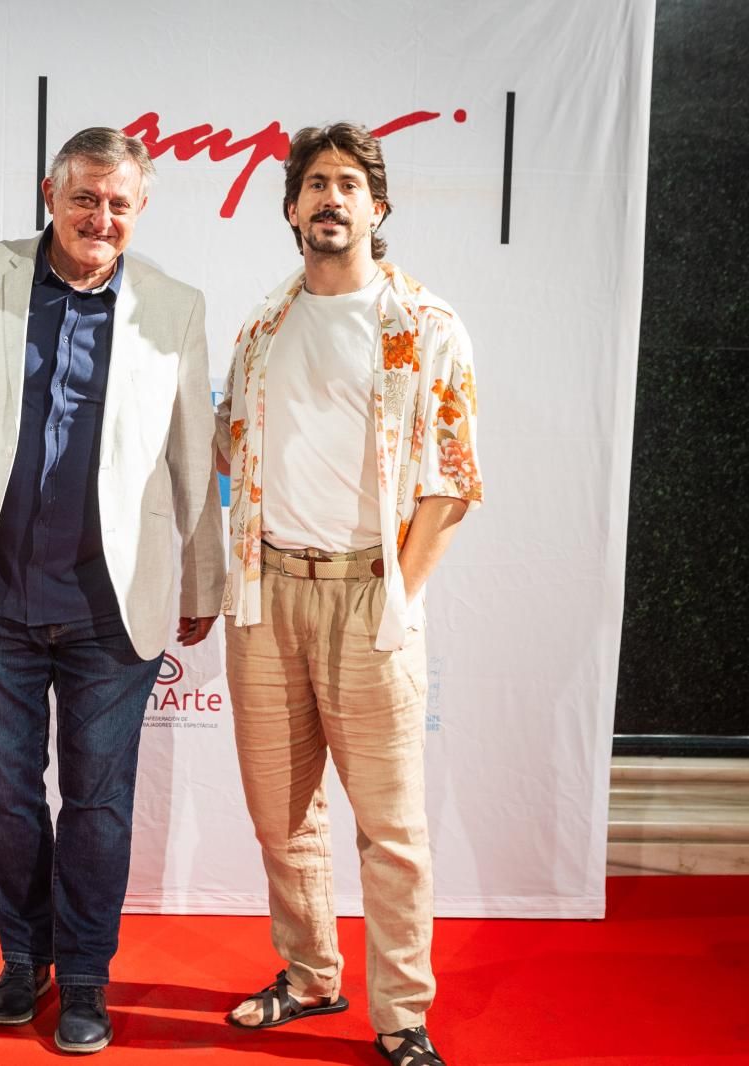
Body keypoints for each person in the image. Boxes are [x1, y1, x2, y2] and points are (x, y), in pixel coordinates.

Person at [0, 126, 224, 1055]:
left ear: (141, 209)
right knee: (9, 801)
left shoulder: (174, 304)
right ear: (51, 194)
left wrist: (204, 578)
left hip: (111, 609)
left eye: (120, 203)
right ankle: (23, 959)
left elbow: (192, 459)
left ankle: (86, 980)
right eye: (85, 198)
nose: (101, 218)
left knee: (99, 804)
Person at [216, 122, 482, 1066]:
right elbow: (226, 457)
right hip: (266, 595)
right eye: (315, 184)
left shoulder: (427, 327)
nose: (332, 197)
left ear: (379, 205)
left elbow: (452, 483)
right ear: (291, 209)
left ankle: (403, 1014)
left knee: (393, 828)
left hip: (373, 592)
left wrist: (400, 600)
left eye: (350, 183)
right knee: (280, 817)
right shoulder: (260, 326)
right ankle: (309, 974)